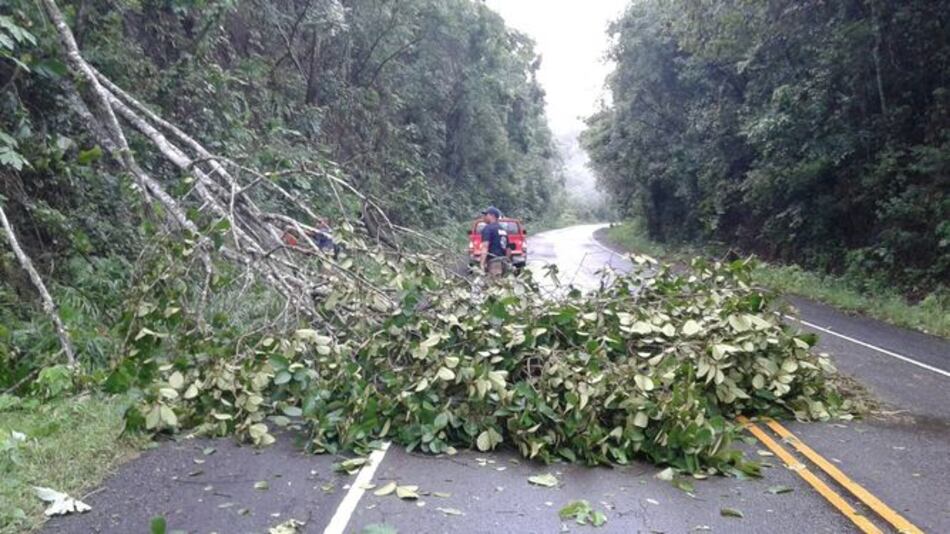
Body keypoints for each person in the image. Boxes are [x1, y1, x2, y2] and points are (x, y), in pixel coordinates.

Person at [479, 206, 509, 275]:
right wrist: (507, 261)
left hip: (494, 262)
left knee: (494, 282)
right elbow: (508, 248)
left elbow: (485, 247)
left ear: (492, 216)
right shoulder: (502, 229)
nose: (484, 217)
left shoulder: (488, 228)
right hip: (503, 261)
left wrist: (482, 264)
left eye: (486, 215)